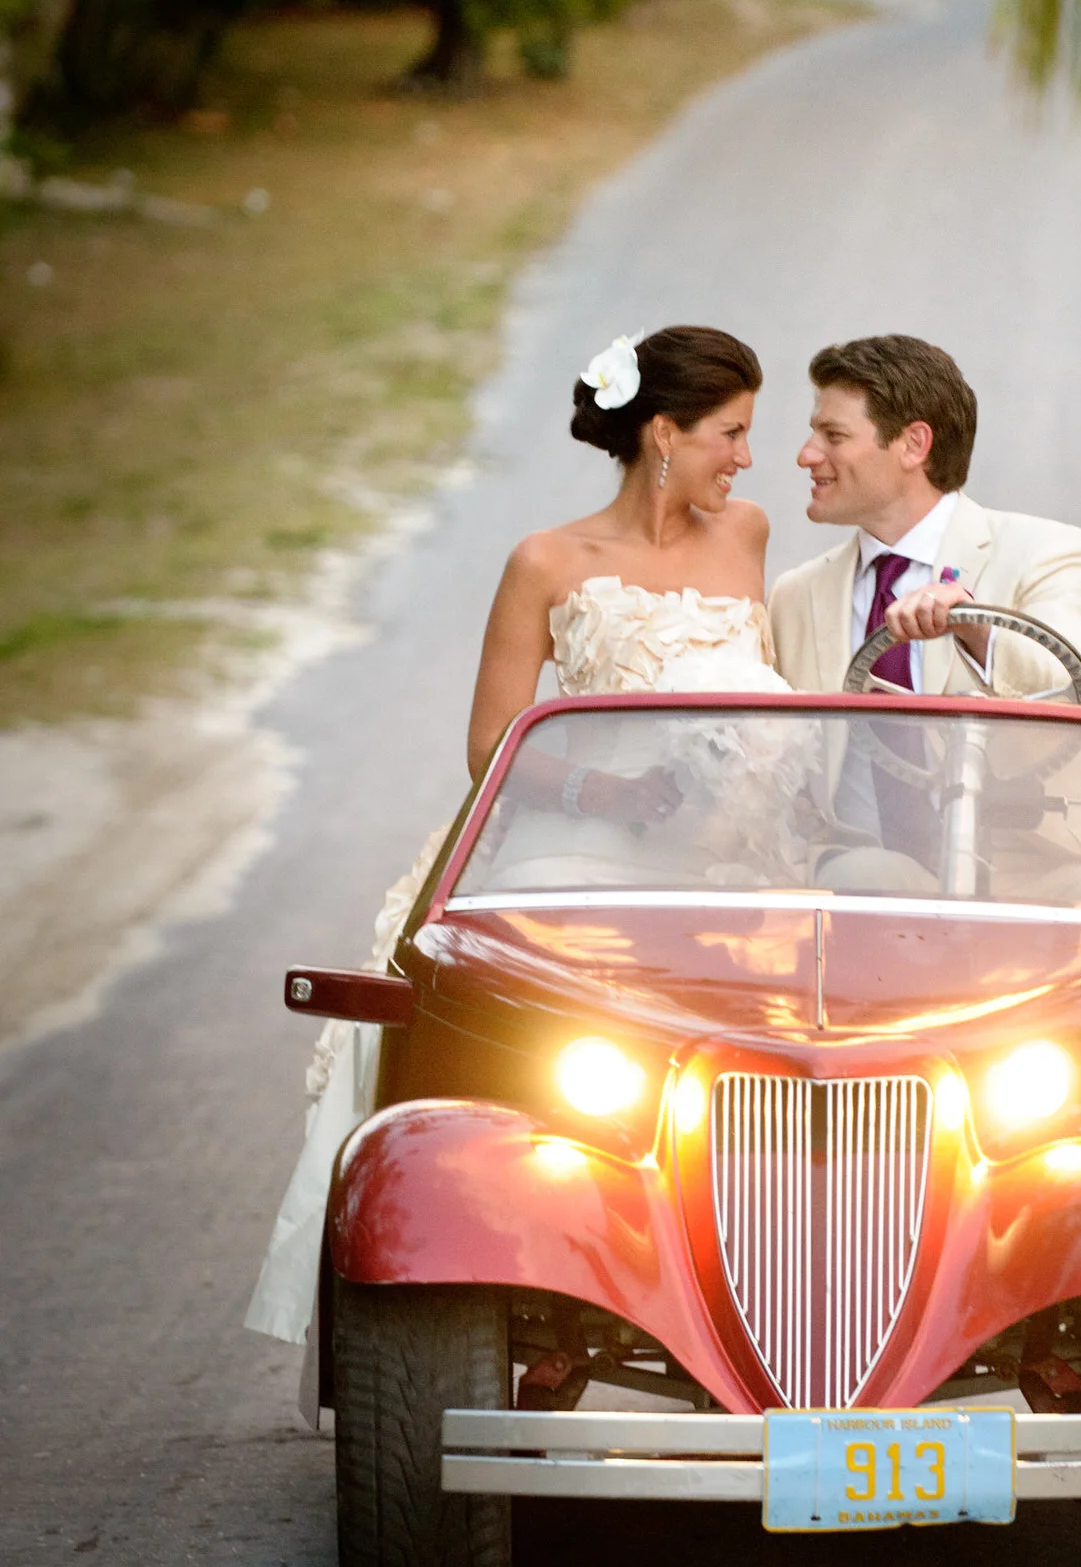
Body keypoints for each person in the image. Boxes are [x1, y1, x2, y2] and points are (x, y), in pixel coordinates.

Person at [247, 323, 786, 1349]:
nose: (746, 458)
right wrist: (613, 795)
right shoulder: (547, 560)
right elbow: (491, 742)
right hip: (601, 839)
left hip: (733, 850)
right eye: (731, 433)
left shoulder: (748, 533)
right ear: (663, 432)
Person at [768, 333, 1081, 701]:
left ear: (914, 445)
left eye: (833, 435)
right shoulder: (793, 596)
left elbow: (1073, 688)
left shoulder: (1047, 552)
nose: (806, 456)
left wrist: (977, 631)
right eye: (813, 434)